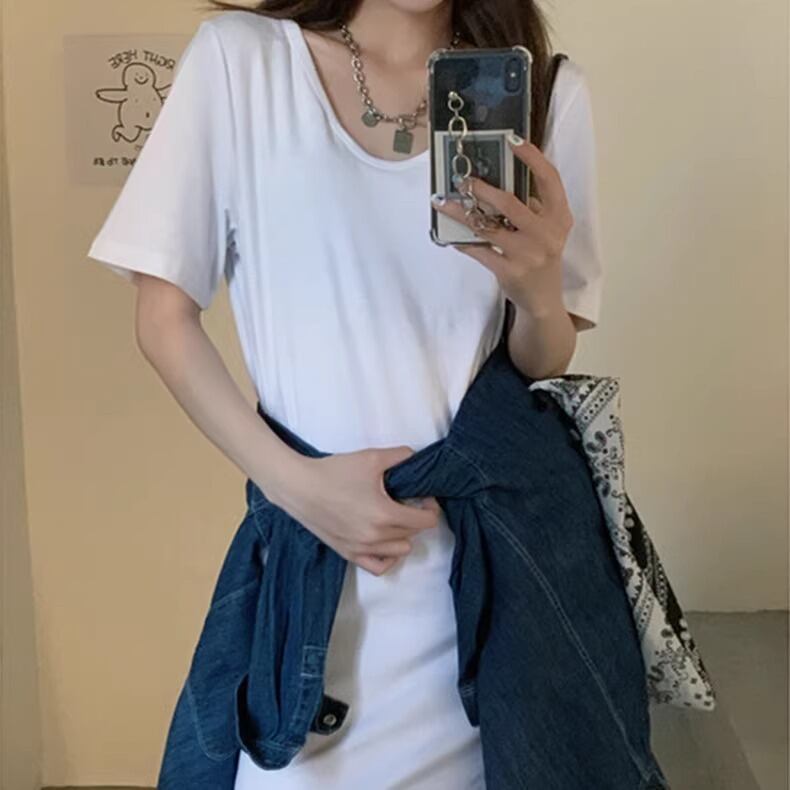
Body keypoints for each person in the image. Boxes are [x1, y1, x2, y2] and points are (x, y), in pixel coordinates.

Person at [86, 1, 606, 787]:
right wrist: (296, 487)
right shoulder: (242, 62)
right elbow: (163, 320)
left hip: (491, 596)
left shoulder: (544, 92)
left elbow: (542, 360)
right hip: (310, 572)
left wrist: (537, 297)